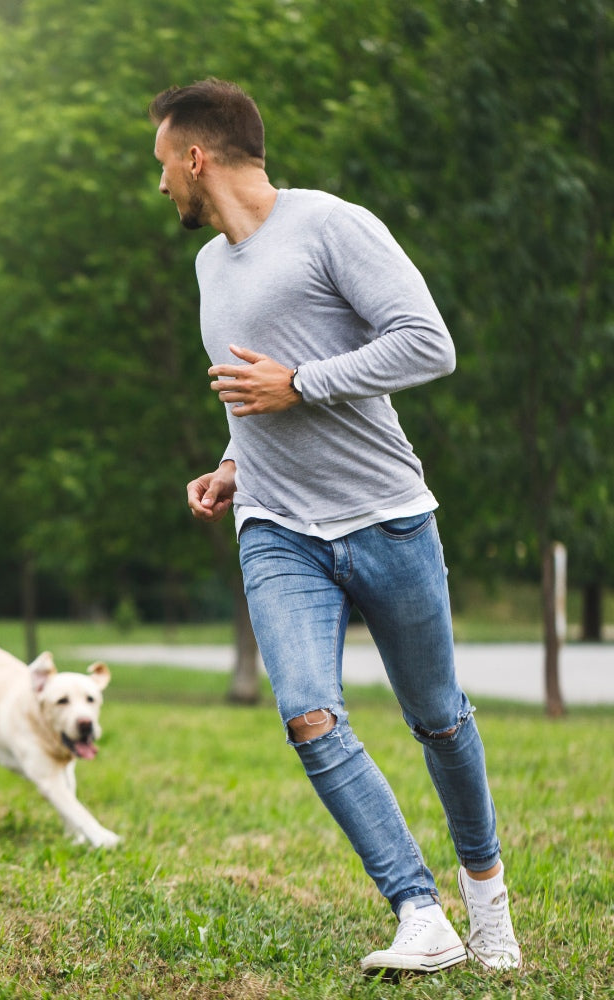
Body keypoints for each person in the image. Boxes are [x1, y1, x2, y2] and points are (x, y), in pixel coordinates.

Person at [149, 78, 521, 978]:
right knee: (308, 714)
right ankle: (419, 911)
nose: (159, 183)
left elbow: (429, 343)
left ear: (197, 156)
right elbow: (253, 396)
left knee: (439, 721)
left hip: (386, 519)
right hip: (277, 528)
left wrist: (303, 384)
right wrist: (232, 464)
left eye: (161, 162)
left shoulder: (330, 225)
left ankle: (487, 903)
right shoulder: (208, 268)